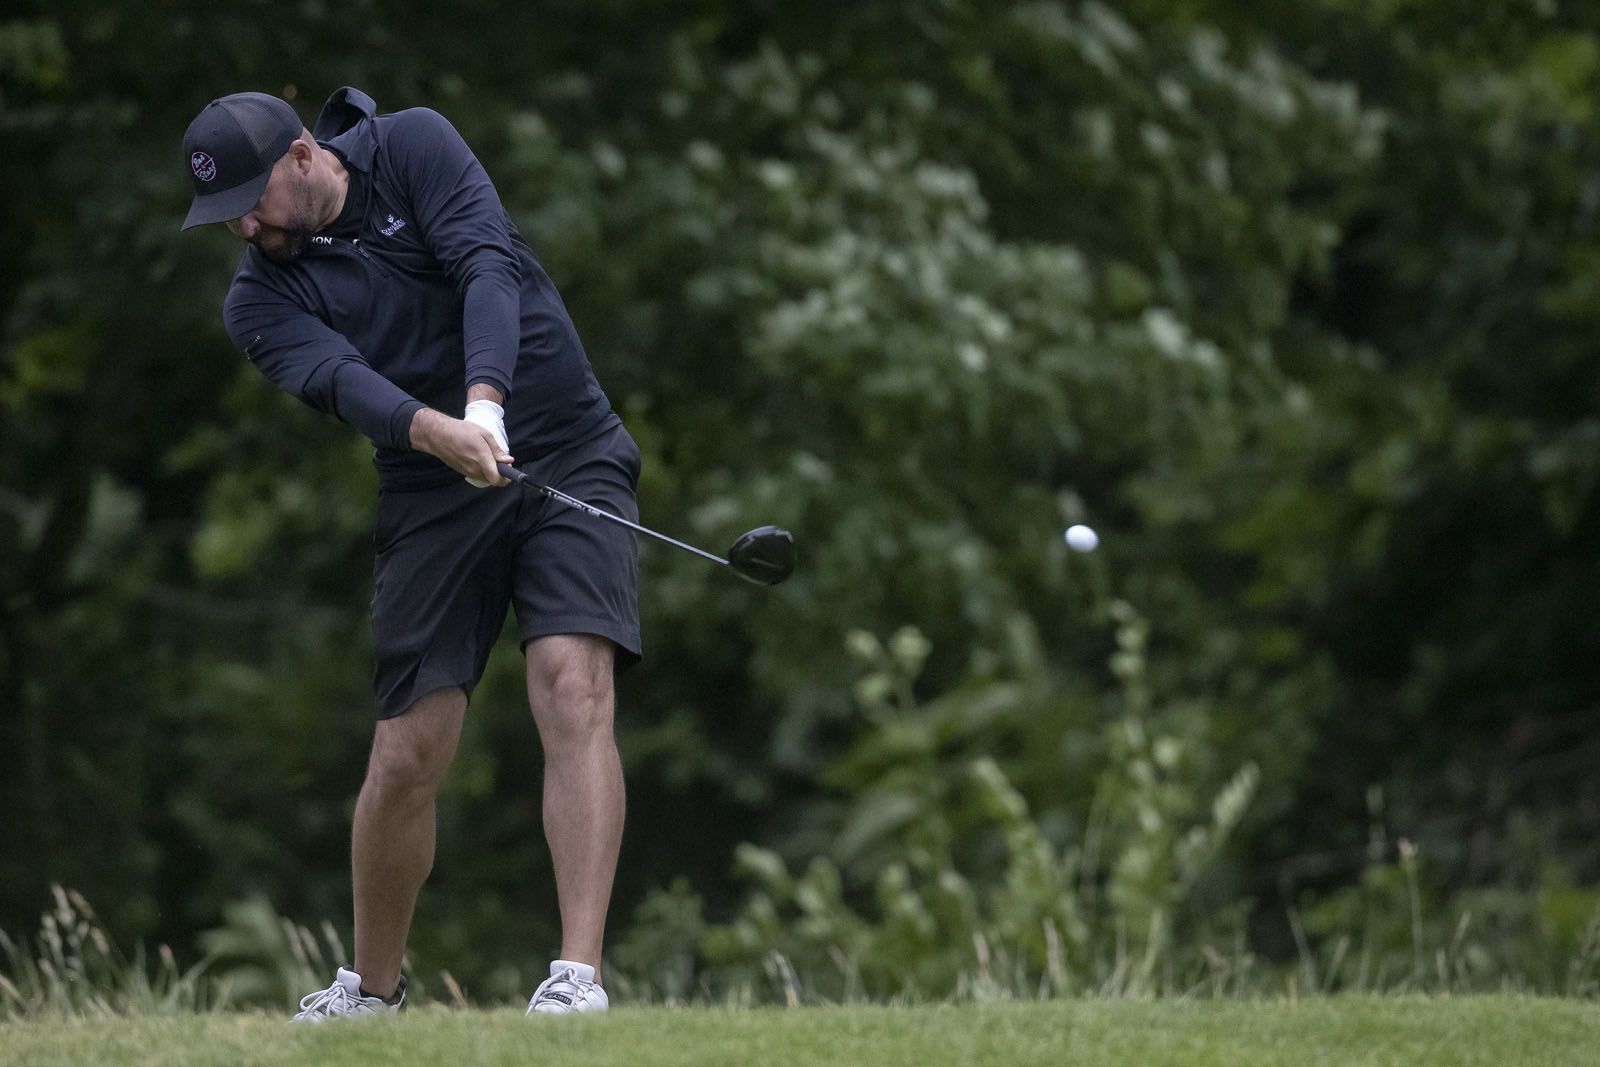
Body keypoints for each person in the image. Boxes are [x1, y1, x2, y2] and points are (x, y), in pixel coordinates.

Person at [180, 87, 638, 1018]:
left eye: (249, 202)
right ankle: (374, 991)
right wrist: (444, 435)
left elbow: (486, 267)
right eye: (223, 217)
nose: (242, 229)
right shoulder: (258, 299)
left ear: (303, 157)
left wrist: (485, 406)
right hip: (431, 485)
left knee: (571, 682)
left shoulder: (415, 146)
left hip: (562, 441)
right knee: (408, 750)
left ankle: (577, 979)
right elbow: (347, 384)